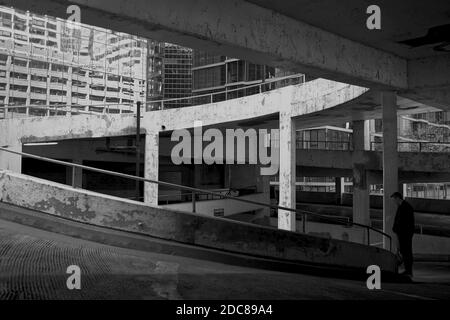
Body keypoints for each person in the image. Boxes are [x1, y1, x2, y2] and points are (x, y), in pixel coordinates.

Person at [391, 192, 415, 277]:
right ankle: (407, 270)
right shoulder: (402, 207)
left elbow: (404, 222)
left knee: (407, 252)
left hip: (405, 234)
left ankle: (408, 271)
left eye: (394, 199)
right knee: (404, 251)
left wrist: (397, 229)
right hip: (403, 233)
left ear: (397, 198)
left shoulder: (406, 207)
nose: (393, 202)